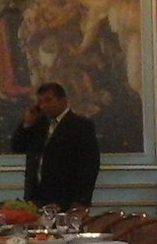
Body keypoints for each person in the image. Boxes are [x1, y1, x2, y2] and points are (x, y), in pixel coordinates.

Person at [10, 81, 100, 209]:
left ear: (63, 101)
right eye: (40, 102)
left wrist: (81, 200)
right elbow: (17, 147)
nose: (43, 105)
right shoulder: (38, 124)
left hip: (65, 198)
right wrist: (27, 123)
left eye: (48, 100)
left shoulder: (81, 125)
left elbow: (89, 165)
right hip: (35, 197)